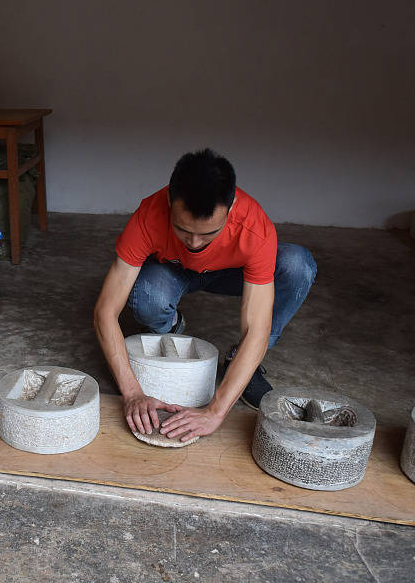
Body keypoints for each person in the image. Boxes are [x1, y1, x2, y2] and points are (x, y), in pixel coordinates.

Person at [93, 149, 317, 445]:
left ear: (231, 207)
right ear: (169, 202)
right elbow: (105, 311)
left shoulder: (254, 226)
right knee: (147, 297)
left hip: (231, 273)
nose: (195, 243)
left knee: (298, 265)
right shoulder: (149, 214)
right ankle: (170, 326)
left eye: (208, 233)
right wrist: (132, 393)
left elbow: (257, 328)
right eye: (183, 230)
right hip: (174, 271)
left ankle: (243, 362)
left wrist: (215, 411)